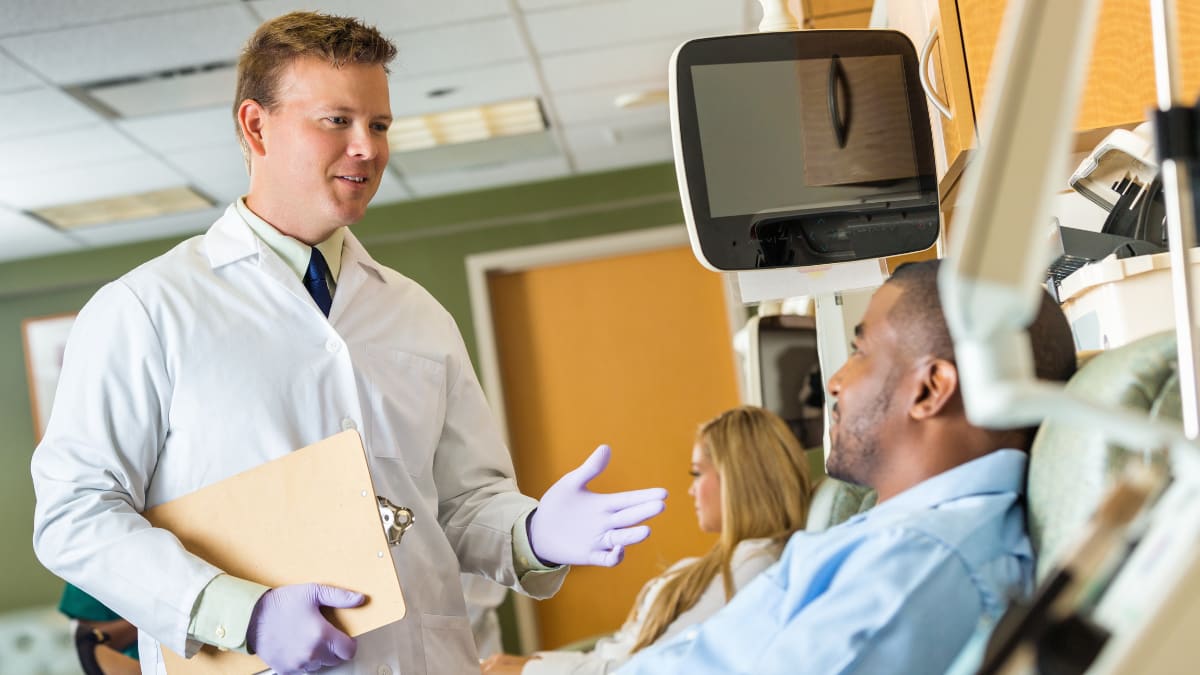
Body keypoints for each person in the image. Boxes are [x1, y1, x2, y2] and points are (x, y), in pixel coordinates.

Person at [30, 12, 666, 675]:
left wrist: (532, 533)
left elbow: (460, 503)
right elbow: (74, 515)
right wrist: (244, 612)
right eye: (337, 121)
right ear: (256, 125)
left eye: (380, 124)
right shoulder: (145, 309)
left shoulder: (415, 312)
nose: (368, 147)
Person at [617, 259, 1078, 674]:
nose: (835, 382)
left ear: (929, 390)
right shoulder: (892, 535)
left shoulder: (919, 567)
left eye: (860, 352)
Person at [481, 406, 815, 675]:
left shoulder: (753, 568)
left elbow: (644, 666)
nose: (691, 489)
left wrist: (528, 670)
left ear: (740, 478)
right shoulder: (733, 562)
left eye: (697, 474)